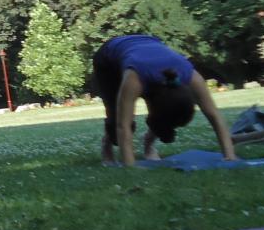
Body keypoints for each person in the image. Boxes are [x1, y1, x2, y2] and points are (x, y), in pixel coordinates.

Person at [92, 34, 237, 167]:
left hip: (147, 45)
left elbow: (214, 115)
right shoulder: (134, 79)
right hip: (109, 59)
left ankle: (148, 145)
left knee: (167, 120)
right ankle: (107, 147)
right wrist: (130, 166)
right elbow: (122, 125)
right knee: (116, 118)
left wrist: (229, 156)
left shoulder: (191, 77)